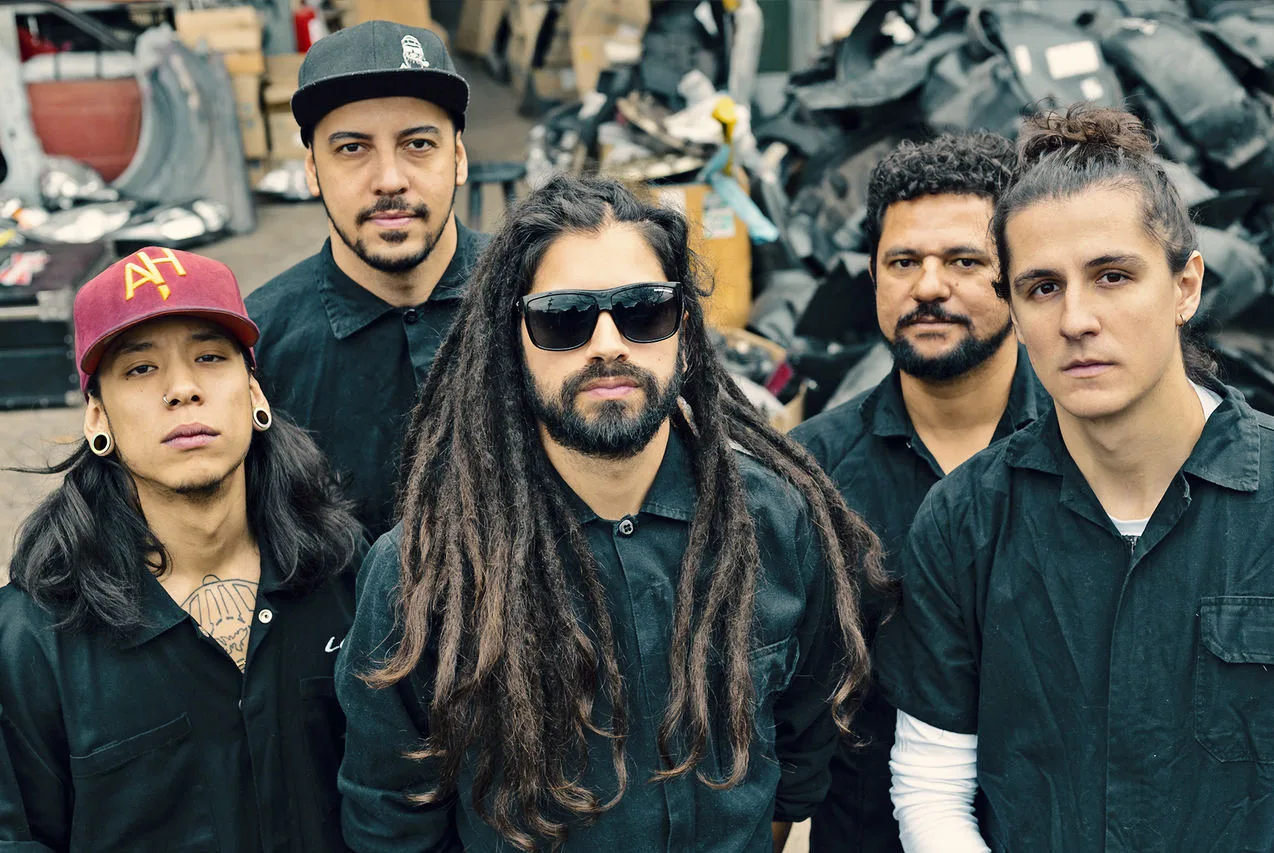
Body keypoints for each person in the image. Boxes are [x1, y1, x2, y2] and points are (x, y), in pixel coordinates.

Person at [334, 176, 890, 852]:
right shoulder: (425, 571)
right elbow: (392, 816)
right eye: (563, 317)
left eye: (643, 310)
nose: (607, 344)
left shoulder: (776, 521)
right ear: (513, 340)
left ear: (684, 330)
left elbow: (801, 745)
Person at [876, 104, 1274, 852]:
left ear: (1185, 286)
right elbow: (933, 784)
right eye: (1042, 287)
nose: (1076, 319)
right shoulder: (966, 519)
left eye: (1112, 276)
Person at [0, 248, 365, 853]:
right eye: (140, 369)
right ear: (98, 417)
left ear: (255, 392)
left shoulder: (345, 572)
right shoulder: (31, 639)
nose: (183, 390)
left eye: (210, 358)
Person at [791, 132, 1048, 853]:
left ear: (1016, 275)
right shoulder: (808, 473)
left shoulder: (1085, 448)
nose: (929, 287)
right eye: (903, 262)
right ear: (873, 275)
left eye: (964, 261)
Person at [245, 20, 489, 538]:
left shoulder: (543, 303)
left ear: (458, 158)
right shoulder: (257, 348)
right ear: (313, 171)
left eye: (418, 143)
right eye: (352, 148)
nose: (390, 180)